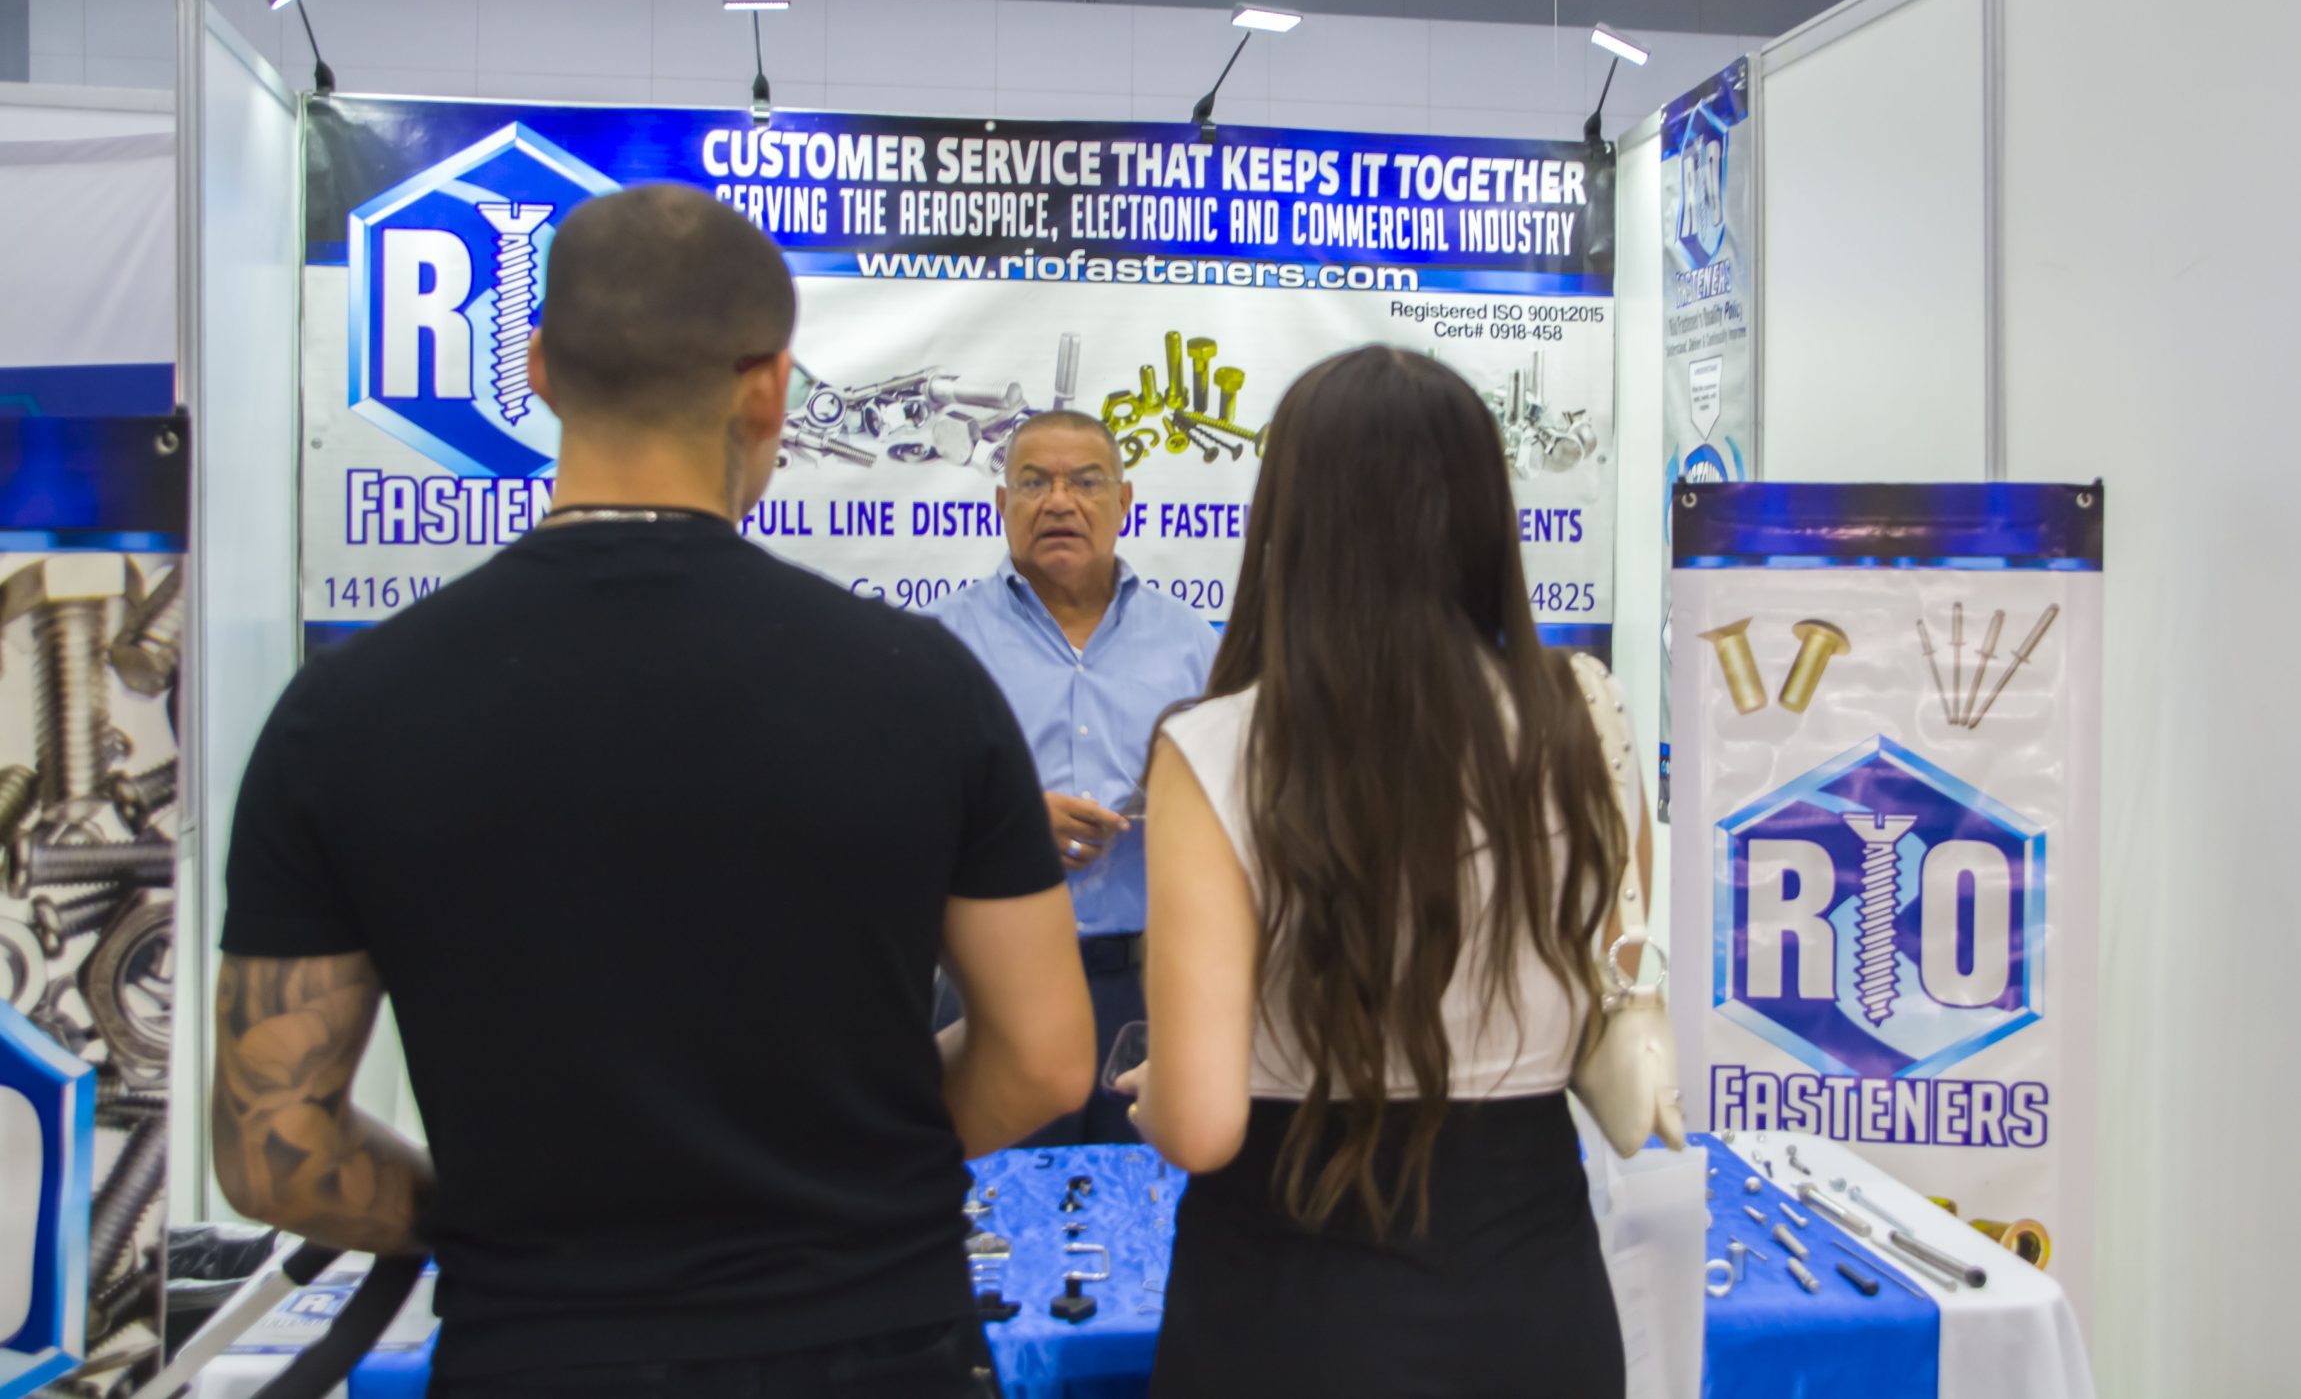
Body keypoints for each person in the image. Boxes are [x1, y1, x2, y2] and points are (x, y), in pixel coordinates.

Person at [212, 184, 1092, 1399]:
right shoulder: (921, 685)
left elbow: (273, 1151)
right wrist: (848, 1177)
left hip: (536, 1353)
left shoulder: (346, 711)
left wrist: (499, 1222)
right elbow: (1045, 1059)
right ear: (769, 387)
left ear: (536, 369)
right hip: (873, 1340)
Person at [1123, 345, 1643, 1399]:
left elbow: (1202, 1125)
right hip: (1536, 1293)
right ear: (1484, 512)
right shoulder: (1582, 710)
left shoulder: (1215, 747)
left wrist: (1154, 1095)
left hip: (1291, 1306)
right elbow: (1610, 971)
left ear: (1292, 516)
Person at [929, 411, 1220, 1144]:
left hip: (1152, 987)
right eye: (1035, 483)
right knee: (984, 1198)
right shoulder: (938, 643)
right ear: (1002, 504)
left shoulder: (1194, 644)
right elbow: (890, 811)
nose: (1059, 501)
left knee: (1152, 1199)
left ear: (1124, 501)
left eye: (1086, 482)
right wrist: (1008, 824)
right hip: (989, 987)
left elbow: (1247, 807)